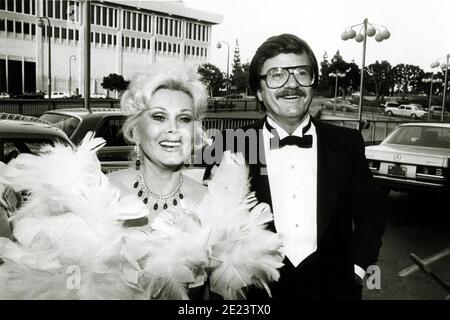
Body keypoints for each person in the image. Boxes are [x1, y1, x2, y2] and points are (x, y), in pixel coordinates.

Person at [204, 33, 388, 299]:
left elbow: (371, 212)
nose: (292, 85)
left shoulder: (347, 144)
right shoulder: (228, 146)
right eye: (277, 75)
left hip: (334, 291)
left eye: (302, 73)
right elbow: (211, 230)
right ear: (259, 90)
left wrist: (360, 271)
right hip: (256, 296)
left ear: (312, 83)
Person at [108, 63, 209, 226]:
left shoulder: (210, 205)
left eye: (184, 119)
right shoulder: (104, 194)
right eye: (159, 117)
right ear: (135, 130)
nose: (173, 129)